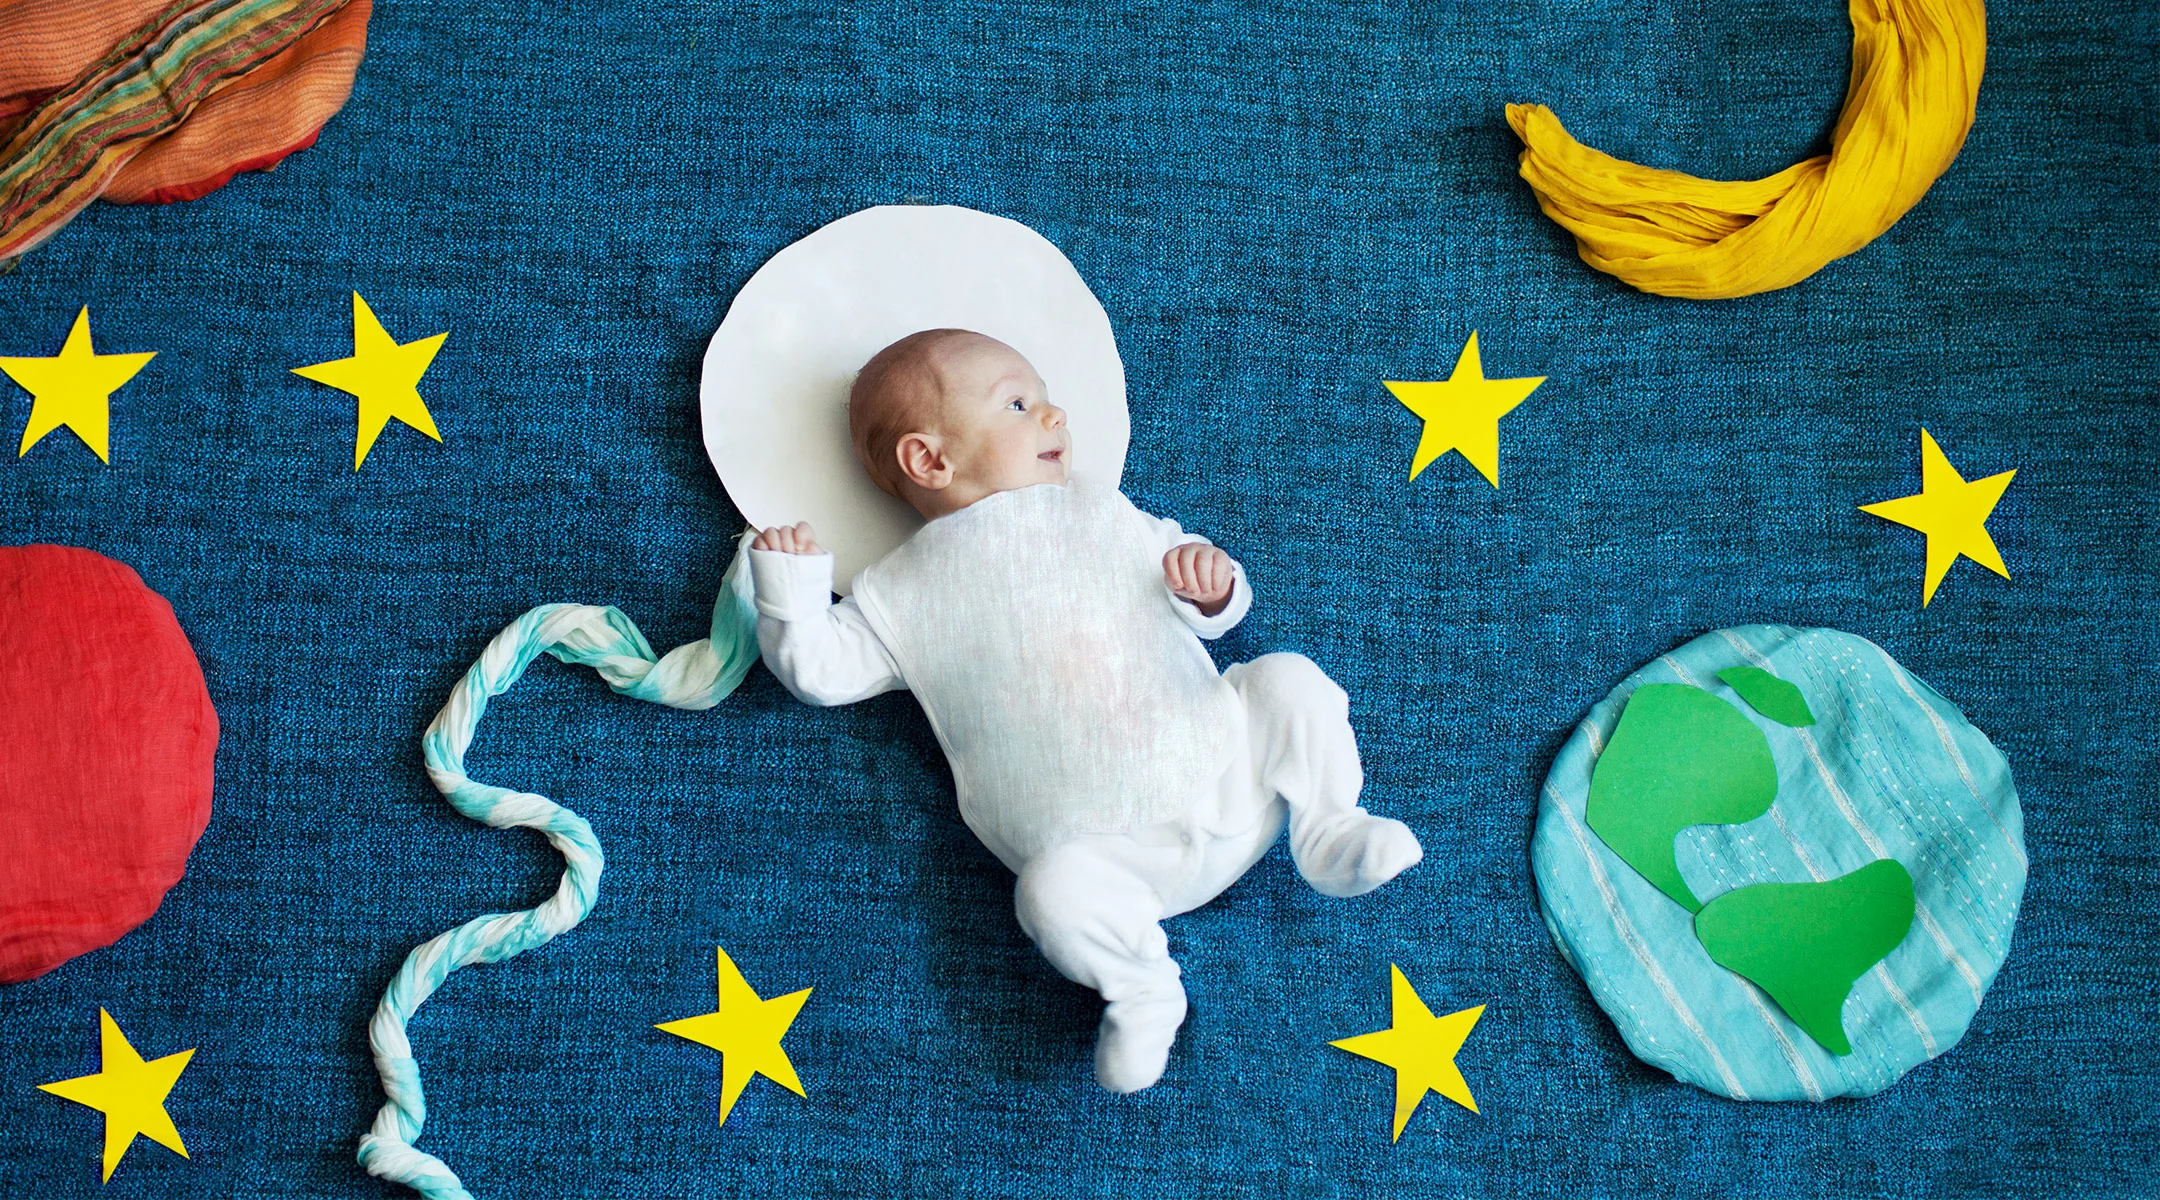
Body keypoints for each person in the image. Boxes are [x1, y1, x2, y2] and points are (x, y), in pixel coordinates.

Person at [748, 328, 1422, 1092]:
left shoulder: (1104, 511)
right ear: (929, 459)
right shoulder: (902, 591)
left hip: (1232, 775)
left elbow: (1208, 602)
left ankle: (1328, 823)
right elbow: (821, 672)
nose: (1055, 415)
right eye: (1018, 402)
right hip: (1107, 864)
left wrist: (1211, 588)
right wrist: (792, 594)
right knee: (1045, 891)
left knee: (1285, 679)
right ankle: (1141, 987)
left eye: (1045, 399)